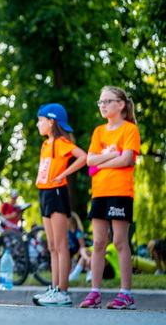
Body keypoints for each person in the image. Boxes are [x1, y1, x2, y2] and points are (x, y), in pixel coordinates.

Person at [79, 86, 140, 309]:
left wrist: (102, 162)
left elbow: (127, 160)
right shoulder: (98, 132)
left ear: (120, 105)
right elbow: (89, 161)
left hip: (120, 192)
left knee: (119, 242)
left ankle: (126, 294)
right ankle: (95, 292)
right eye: (100, 102)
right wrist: (115, 154)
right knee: (98, 242)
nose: (102, 105)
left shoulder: (130, 129)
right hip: (99, 192)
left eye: (107, 101)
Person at [32, 103, 87, 307]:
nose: (38, 124)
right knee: (52, 245)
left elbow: (83, 157)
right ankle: (54, 289)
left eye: (40, 120)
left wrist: (63, 174)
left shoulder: (61, 142)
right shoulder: (46, 144)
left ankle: (63, 292)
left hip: (56, 192)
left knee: (61, 245)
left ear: (51, 121)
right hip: (44, 193)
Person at [67, 213, 91, 282]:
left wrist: (77, 254)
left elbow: (82, 244)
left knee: (75, 259)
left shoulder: (77, 232)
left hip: (78, 251)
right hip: (72, 250)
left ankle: (76, 272)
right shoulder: (68, 232)